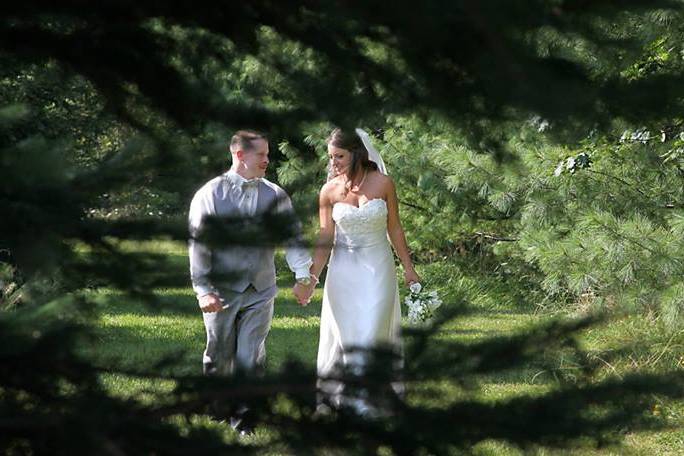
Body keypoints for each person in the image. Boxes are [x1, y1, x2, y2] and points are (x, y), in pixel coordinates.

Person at [188, 130, 313, 434]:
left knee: (251, 355)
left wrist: (303, 275)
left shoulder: (275, 194)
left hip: (261, 288)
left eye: (268, 154)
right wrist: (203, 290)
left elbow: (292, 236)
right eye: (262, 155)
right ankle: (218, 406)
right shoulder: (210, 194)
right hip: (221, 289)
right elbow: (199, 246)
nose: (267, 160)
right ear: (240, 156)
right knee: (219, 353)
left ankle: (245, 418)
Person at [298, 128, 421, 416]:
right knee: (347, 335)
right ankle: (341, 397)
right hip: (343, 274)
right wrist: (310, 279)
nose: (333, 163)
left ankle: (369, 400)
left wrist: (409, 269)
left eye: (339, 156)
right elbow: (325, 238)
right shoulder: (328, 191)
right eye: (330, 157)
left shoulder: (383, 184)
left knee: (372, 331)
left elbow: (394, 228)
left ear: (356, 153)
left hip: (378, 269)